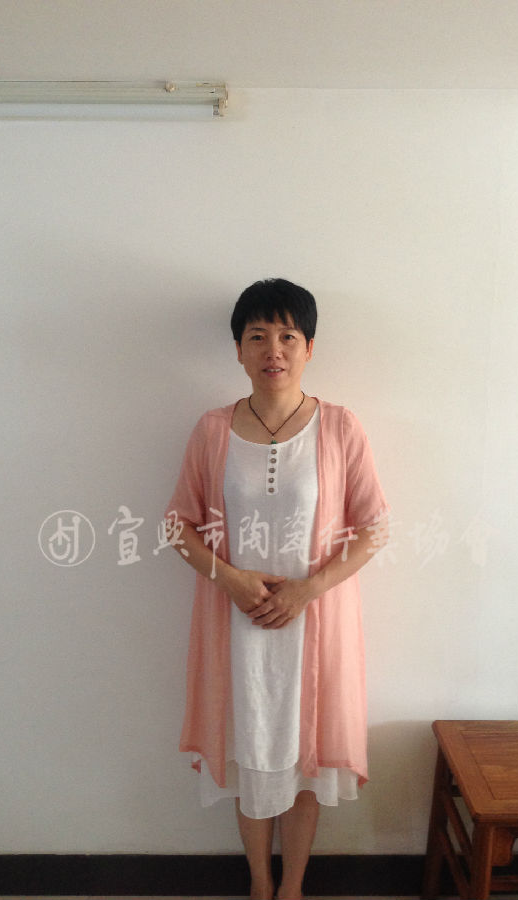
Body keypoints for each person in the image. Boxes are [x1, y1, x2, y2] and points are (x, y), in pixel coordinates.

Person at [165, 278, 389, 900]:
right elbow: (178, 524)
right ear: (238, 349)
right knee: (252, 753)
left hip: (311, 628)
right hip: (237, 627)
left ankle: (292, 888)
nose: (273, 349)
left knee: (304, 761)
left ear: (309, 347)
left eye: (288, 336)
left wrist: (306, 590)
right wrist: (231, 579)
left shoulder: (340, 427)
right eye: (257, 335)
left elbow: (374, 527)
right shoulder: (213, 429)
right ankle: (260, 885)